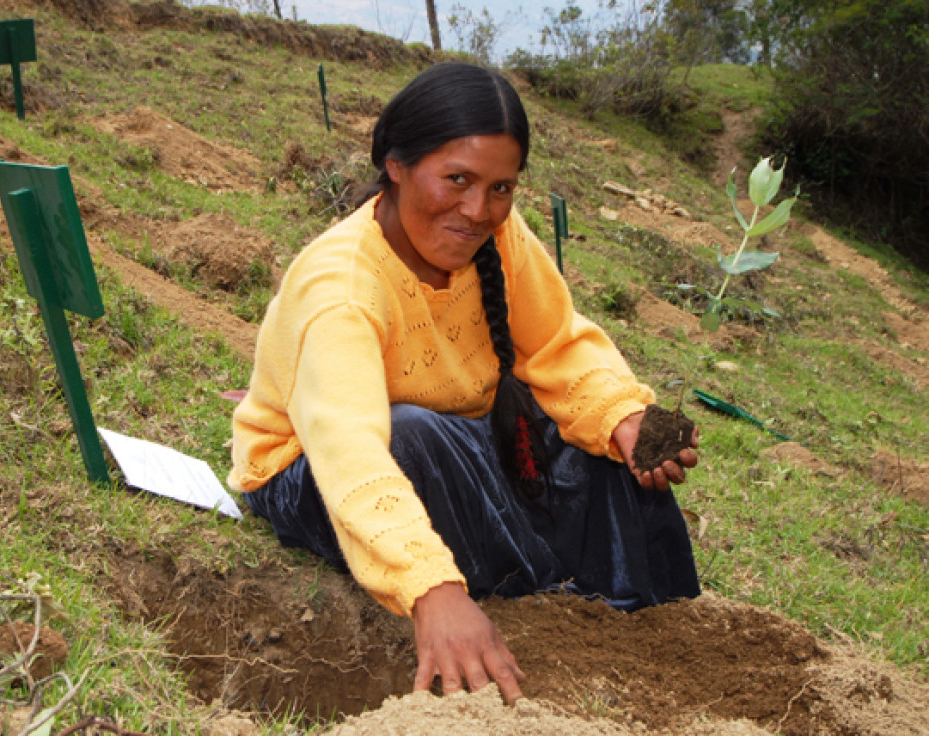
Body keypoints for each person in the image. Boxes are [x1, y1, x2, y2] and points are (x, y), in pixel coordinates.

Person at [227, 62, 700, 705]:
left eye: (500, 187)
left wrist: (621, 414)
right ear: (396, 164)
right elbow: (351, 452)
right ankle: (532, 602)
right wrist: (430, 589)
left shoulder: (498, 235)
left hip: (458, 439)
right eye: (457, 180)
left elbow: (559, 343)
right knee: (413, 436)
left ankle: (659, 627)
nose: (478, 210)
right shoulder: (340, 290)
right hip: (316, 472)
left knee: (602, 437)